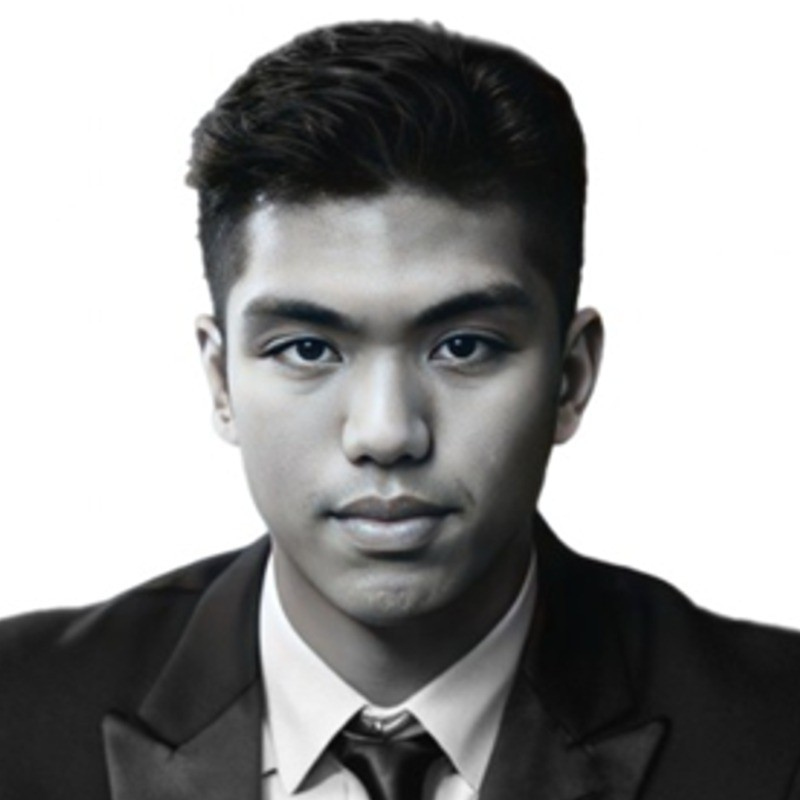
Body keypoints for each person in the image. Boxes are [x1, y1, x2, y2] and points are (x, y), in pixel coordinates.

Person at [1, 19, 799, 800]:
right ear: (220, 381)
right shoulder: (17, 712)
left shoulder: (776, 733)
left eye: (463, 346)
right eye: (307, 348)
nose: (385, 433)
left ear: (571, 377)